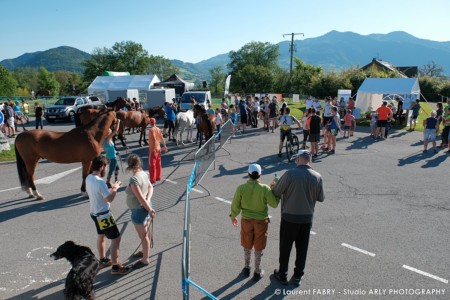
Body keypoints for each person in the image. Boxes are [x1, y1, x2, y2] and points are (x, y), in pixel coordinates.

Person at [271, 150, 324, 285]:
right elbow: (321, 198)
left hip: (289, 217)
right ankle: (298, 275)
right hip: (306, 218)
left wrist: (274, 184)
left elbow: (277, 191)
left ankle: (282, 273)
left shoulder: (290, 174)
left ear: (299, 159)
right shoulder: (318, 177)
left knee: (285, 247)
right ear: (309, 160)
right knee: (302, 248)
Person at [230, 163, 279, 281]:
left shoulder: (241, 188)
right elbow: (274, 203)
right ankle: (257, 270)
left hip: (246, 220)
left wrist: (233, 216)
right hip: (261, 221)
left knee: (247, 243)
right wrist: (274, 189)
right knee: (259, 245)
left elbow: (235, 205)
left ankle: (247, 267)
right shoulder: (265, 189)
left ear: (248, 174)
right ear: (260, 175)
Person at [86, 156, 130, 275]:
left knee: (101, 236)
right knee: (116, 239)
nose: (106, 170)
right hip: (104, 215)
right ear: (101, 167)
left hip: (94, 213)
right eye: (105, 167)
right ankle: (116, 267)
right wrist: (115, 188)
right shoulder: (100, 182)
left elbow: (100, 196)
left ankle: (103, 259)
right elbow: (109, 199)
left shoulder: (89, 178)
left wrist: (109, 189)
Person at [125, 154, 156, 269]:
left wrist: (148, 207)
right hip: (145, 207)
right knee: (145, 234)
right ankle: (144, 252)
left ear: (129, 165)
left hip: (139, 210)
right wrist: (148, 202)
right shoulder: (144, 173)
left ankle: (145, 259)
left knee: (143, 236)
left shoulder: (134, 179)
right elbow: (150, 187)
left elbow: (139, 198)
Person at [148, 117, 168, 184]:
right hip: (158, 148)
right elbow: (162, 138)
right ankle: (158, 177)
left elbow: (153, 139)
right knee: (158, 164)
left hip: (153, 149)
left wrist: (153, 148)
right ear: (155, 122)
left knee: (152, 165)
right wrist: (165, 146)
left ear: (150, 123)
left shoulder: (151, 130)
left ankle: (153, 179)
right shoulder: (158, 129)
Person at [102, 120, 121, 188]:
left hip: (110, 156)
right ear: (108, 134)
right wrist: (118, 122)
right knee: (111, 170)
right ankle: (108, 181)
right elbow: (115, 131)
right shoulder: (107, 139)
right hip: (112, 158)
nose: (111, 133)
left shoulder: (105, 140)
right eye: (110, 132)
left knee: (117, 168)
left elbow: (110, 149)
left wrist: (116, 152)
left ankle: (116, 180)